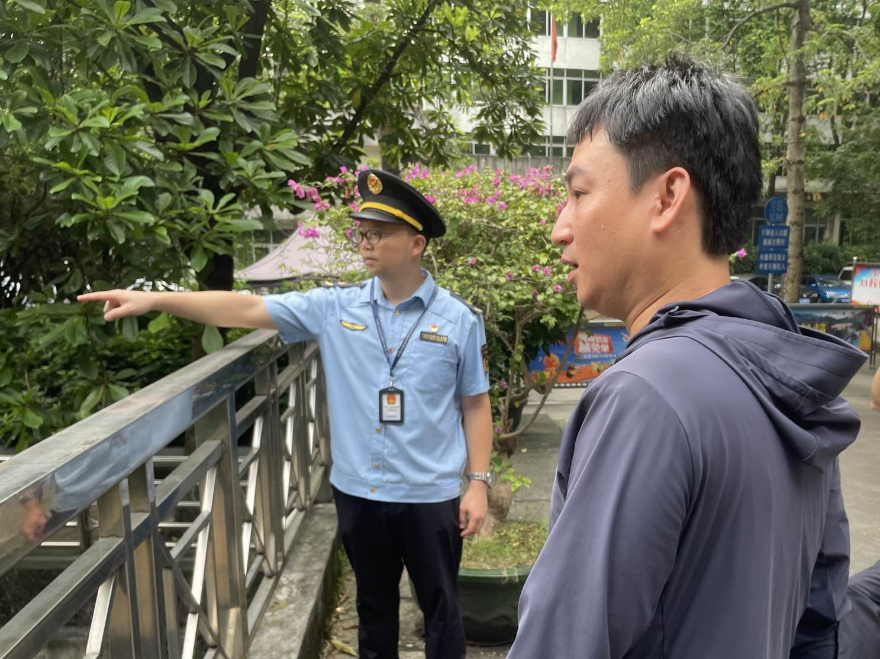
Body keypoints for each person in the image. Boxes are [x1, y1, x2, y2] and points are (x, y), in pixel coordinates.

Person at [507, 53, 865, 659]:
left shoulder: (646, 395)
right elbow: (820, 622)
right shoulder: (791, 384)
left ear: (668, 196)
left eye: (578, 193)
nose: (559, 227)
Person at [79, 169, 494, 659]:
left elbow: (474, 403)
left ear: (417, 244)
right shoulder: (335, 308)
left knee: (443, 613)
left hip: (430, 494)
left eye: (379, 234)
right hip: (361, 493)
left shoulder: (457, 320)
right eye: (362, 233)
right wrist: (156, 299)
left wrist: (478, 483)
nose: (366, 243)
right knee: (373, 613)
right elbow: (244, 309)